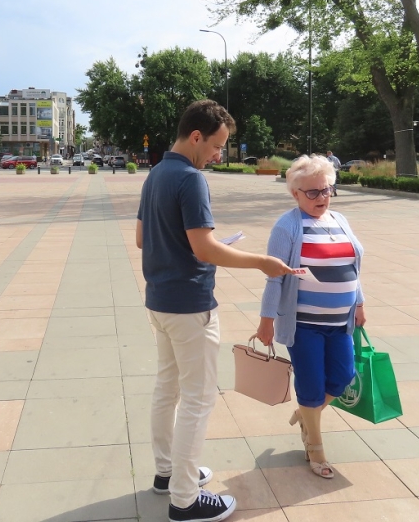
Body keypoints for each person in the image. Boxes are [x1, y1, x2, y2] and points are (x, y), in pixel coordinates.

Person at [136, 99, 295, 522]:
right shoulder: (191, 179)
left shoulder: (155, 173)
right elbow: (204, 249)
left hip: (160, 302)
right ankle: (185, 499)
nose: (218, 155)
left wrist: (193, 247)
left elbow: (142, 238)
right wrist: (262, 262)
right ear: (196, 137)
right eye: (216, 146)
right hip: (190, 306)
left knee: (167, 388)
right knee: (198, 399)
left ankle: (168, 473)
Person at [255, 154, 366, 480]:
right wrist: (266, 320)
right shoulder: (287, 227)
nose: (322, 197)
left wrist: (359, 303)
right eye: (313, 192)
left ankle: (307, 414)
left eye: (327, 190)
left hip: (340, 323)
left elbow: (352, 268)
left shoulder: (340, 220)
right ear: (296, 193)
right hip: (304, 326)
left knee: (343, 376)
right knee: (312, 385)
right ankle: (315, 448)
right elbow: (274, 279)